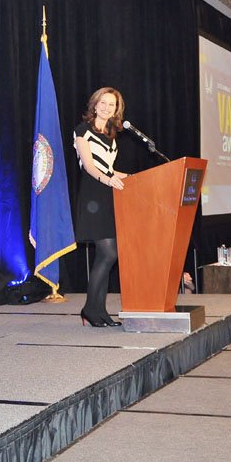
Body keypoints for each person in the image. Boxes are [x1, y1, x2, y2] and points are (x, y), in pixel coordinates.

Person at [73, 87, 129, 328]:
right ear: (94, 105)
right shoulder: (82, 131)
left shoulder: (110, 134)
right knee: (107, 253)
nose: (107, 108)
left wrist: (134, 178)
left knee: (107, 255)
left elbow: (109, 167)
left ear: (117, 110)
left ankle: (99, 311)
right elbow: (89, 165)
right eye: (103, 103)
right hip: (93, 194)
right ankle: (90, 309)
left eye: (112, 105)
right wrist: (109, 180)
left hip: (108, 194)